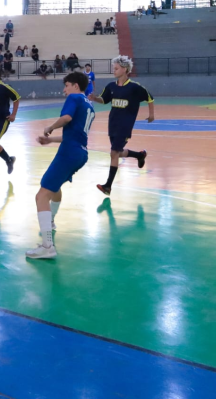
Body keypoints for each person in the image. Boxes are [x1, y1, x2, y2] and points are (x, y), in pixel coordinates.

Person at [26, 72, 95, 259]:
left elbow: (66, 118)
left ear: (75, 86)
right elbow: (74, 135)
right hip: (80, 153)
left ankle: (47, 246)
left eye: (66, 85)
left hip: (69, 153)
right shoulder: (89, 105)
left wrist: (50, 128)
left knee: (41, 195)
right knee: (54, 188)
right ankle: (51, 222)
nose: (64, 90)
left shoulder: (74, 98)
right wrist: (51, 140)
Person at [89, 56, 154, 196]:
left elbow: (150, 98)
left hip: (125, 125)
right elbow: (104, 100)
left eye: (116, 68)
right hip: (112, 123)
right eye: (114, 68)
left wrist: (151, 114)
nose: (114, 71)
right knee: (117, 153)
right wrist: (95, 98)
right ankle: (139, 155)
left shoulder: (134, 87)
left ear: (125, 69)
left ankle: (108, 186)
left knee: (113, 153)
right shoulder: (111, 86)